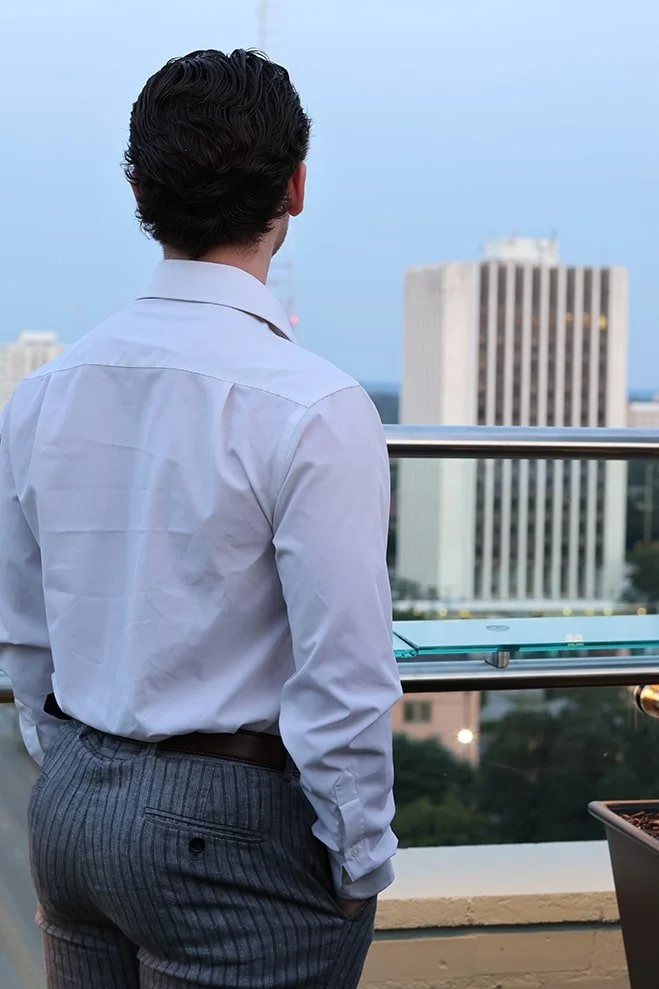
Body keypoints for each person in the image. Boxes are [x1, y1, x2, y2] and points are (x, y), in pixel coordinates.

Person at [0, 48, 402, 989]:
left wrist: (74, 774)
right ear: (295, 188)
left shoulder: (42, 395)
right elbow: (344, 672)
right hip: (231, 822)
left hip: (74, 806)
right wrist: (359, 858)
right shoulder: (314, 404)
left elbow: (24, 636)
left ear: (140, 188)